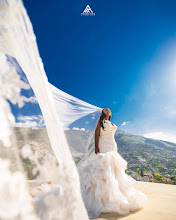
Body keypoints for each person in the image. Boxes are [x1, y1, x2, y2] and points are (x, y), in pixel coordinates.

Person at [77, 108, 148, 218]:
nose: (108, 109)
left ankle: (115, 194)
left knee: (114, 169)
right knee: (104, 168)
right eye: (105, 109)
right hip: (104, 146)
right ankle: (102, 199)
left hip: (112, 146)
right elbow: (97, 134)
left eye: (108, 109)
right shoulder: (101, 123)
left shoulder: (110, 123)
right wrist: (96, 148)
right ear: (103, 112)